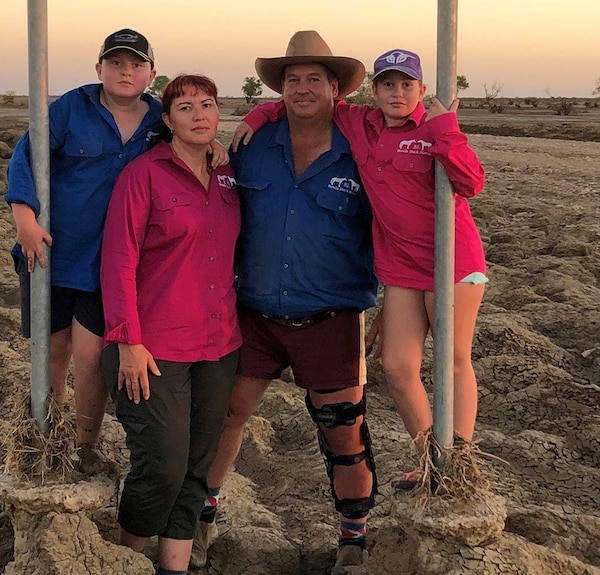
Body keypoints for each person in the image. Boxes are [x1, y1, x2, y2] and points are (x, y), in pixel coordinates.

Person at [236, 47, 487, 484]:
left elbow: (470, 181)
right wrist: (258, 115)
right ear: (374, 90)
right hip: (401, 269)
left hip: (451, 261)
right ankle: (432, 459)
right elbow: (304, 101)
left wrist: (445, 126)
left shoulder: (431, 128)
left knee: (453, 360)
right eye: (388, 84)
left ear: (421, 90)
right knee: (396, 366)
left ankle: (459, 463)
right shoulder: (361, 124)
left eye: (406, 85)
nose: (396, 92)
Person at [193, 31, 379, 574]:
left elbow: (391, 231)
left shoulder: (361, 155)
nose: (302, 88)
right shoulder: (250, 150)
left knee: (343, 429)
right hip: (252, 315)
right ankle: (201, 522)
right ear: (280, 90)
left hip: (331, 317)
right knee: (225, 417)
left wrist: (392, 307)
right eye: (292, 79)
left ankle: (353, 537)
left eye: (314, 79)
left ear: (336, 88)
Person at [5, 30, 224, 472]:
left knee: (89, 359)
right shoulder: (72, 107)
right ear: (99, 68)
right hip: (51, 252)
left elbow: (188, 143)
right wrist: (24, 219)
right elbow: (26, 154)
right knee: (51, 354)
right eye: (117, 64)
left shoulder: (158, 121)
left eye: (136, 65)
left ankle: (85, 445)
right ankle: (45, 437)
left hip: (108, 264)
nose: (126, 72)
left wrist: (213, 144)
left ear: (151, 73)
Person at [100, 74, 241, 575]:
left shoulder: (228, 175)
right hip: (153, 346)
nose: (199, 115)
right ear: (167, 120)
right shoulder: (144, 175)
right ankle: (123, 559)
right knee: (160, 465)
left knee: (197, 468)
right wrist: (128, 342)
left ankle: (174, 566)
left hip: (220, 342)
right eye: (186, 107)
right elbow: (118, 260)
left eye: (208, 104)